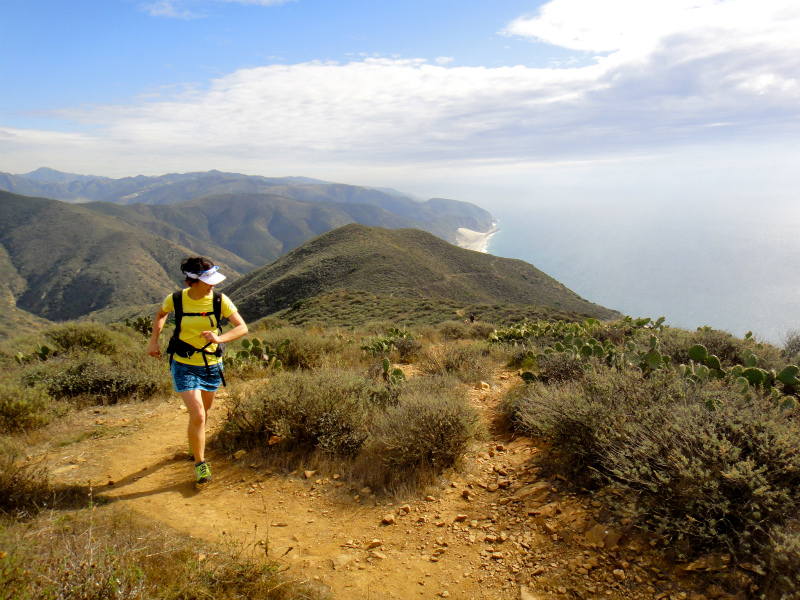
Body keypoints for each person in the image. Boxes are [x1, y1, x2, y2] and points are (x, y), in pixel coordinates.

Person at [147, 256, 248, 484]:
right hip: (183, 363)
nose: (213, 285)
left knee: (205, 412)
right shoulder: (176, 299)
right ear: (191, 281)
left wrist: (219, 337)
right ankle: (201, 465)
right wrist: (154, 341)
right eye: (208, 281)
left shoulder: (220, 300)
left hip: (211, 363)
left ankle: (194, 445)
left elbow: (242, 327)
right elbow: (161, 314)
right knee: (198, 413)